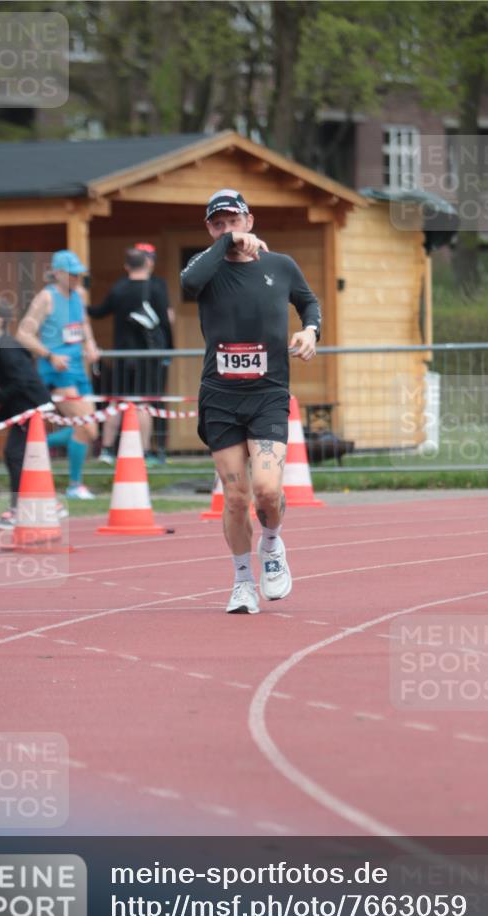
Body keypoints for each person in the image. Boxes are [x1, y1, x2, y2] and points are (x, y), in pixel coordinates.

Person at [181, 188, 320, 615]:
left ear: (250, 219)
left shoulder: (281, 266)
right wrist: (226, 243)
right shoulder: (206, 269)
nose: (227, 228)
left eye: (233, 221)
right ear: (209, 229)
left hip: (268, 393)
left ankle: (273, 545)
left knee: (265, 489)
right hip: (221, 395)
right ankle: (242, 581)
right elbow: (187, 284)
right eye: (217, 223)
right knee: (236, 496)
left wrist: (310, 331)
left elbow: (308, 302)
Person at [15, 250, 100, 499]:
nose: (76, 278)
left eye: (79, 274)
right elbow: (23, 334)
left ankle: (36, 443)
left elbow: (83, 324)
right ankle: (73, 484)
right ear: (58, 273)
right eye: (72, 274)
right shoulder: (46, 298)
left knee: (88, 430)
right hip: (57, 371)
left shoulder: (80, 295)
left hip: (78, 370)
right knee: (86, 428)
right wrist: (50, 355)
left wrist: (91, 346)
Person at [88, 246, 172, 465]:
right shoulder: (156, 288)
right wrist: (168, 350)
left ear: (126, 266)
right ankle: (144, 452)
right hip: (149, 356)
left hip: (122, 355)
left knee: (117, 401)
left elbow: (99, 312)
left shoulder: (119, 288)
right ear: (148, 263)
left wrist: (81, 305)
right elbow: (164, 322)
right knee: (145, 403)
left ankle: (106, 450)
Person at [0, 298, 53, 526]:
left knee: (14, 454)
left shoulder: (9, 346)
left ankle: (20, 507)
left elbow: (23, 380)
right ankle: (42, 502)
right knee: (24, 456)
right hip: (17, 410)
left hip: (32, 407)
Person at [134, 243, 175, 463]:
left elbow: (167, 319)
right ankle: (146, 448)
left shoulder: (158, 285)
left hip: (155, 351)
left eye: (150, 257)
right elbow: (168, 318)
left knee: (157, 399)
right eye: (144, 257)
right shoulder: (136, 285)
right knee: (143, 401)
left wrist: (168, 348)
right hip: (139, 353)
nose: (148, 261)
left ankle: (159, 447)